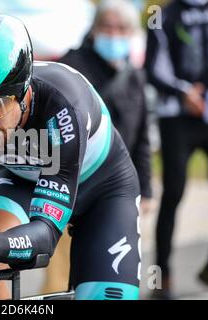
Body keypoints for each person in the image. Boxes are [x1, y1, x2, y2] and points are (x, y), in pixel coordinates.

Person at [0, 13, 142, 300]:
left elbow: (45, 236)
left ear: (23, 92)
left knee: (106, 296)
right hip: (22, 178)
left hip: (103, 189)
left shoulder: (61, 108)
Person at [144, 0, 208, 299]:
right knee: (174, 193)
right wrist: (184, 92)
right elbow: (152, 67)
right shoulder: (163, 15)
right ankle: (162, 279)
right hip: (177, 118)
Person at [60, 0, 152, 212]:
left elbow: (142, 138)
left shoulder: (135, 76)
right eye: (107, 27)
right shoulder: (72, 67)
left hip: (116, 186)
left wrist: (145, 190)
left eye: (122, 29)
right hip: (75, 185)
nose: (114, 34)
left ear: (131, 34)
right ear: (94, 30)